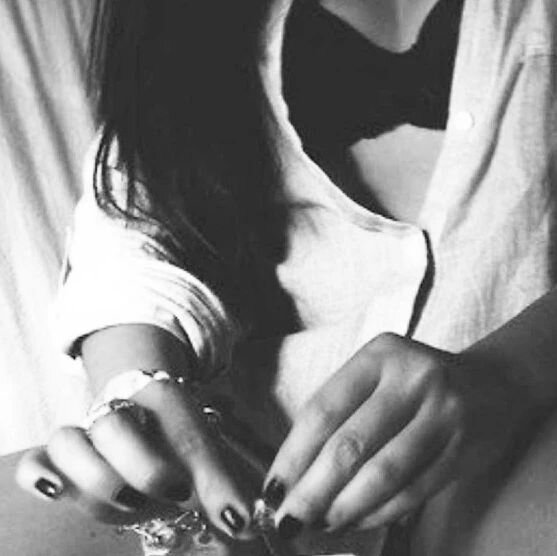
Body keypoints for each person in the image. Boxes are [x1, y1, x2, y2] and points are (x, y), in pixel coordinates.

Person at [15, 0, 557, 554]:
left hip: (512, 497)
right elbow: (128, 253)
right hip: (258, 510)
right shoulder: (178, 53)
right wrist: (139, 400)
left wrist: (513, 370)